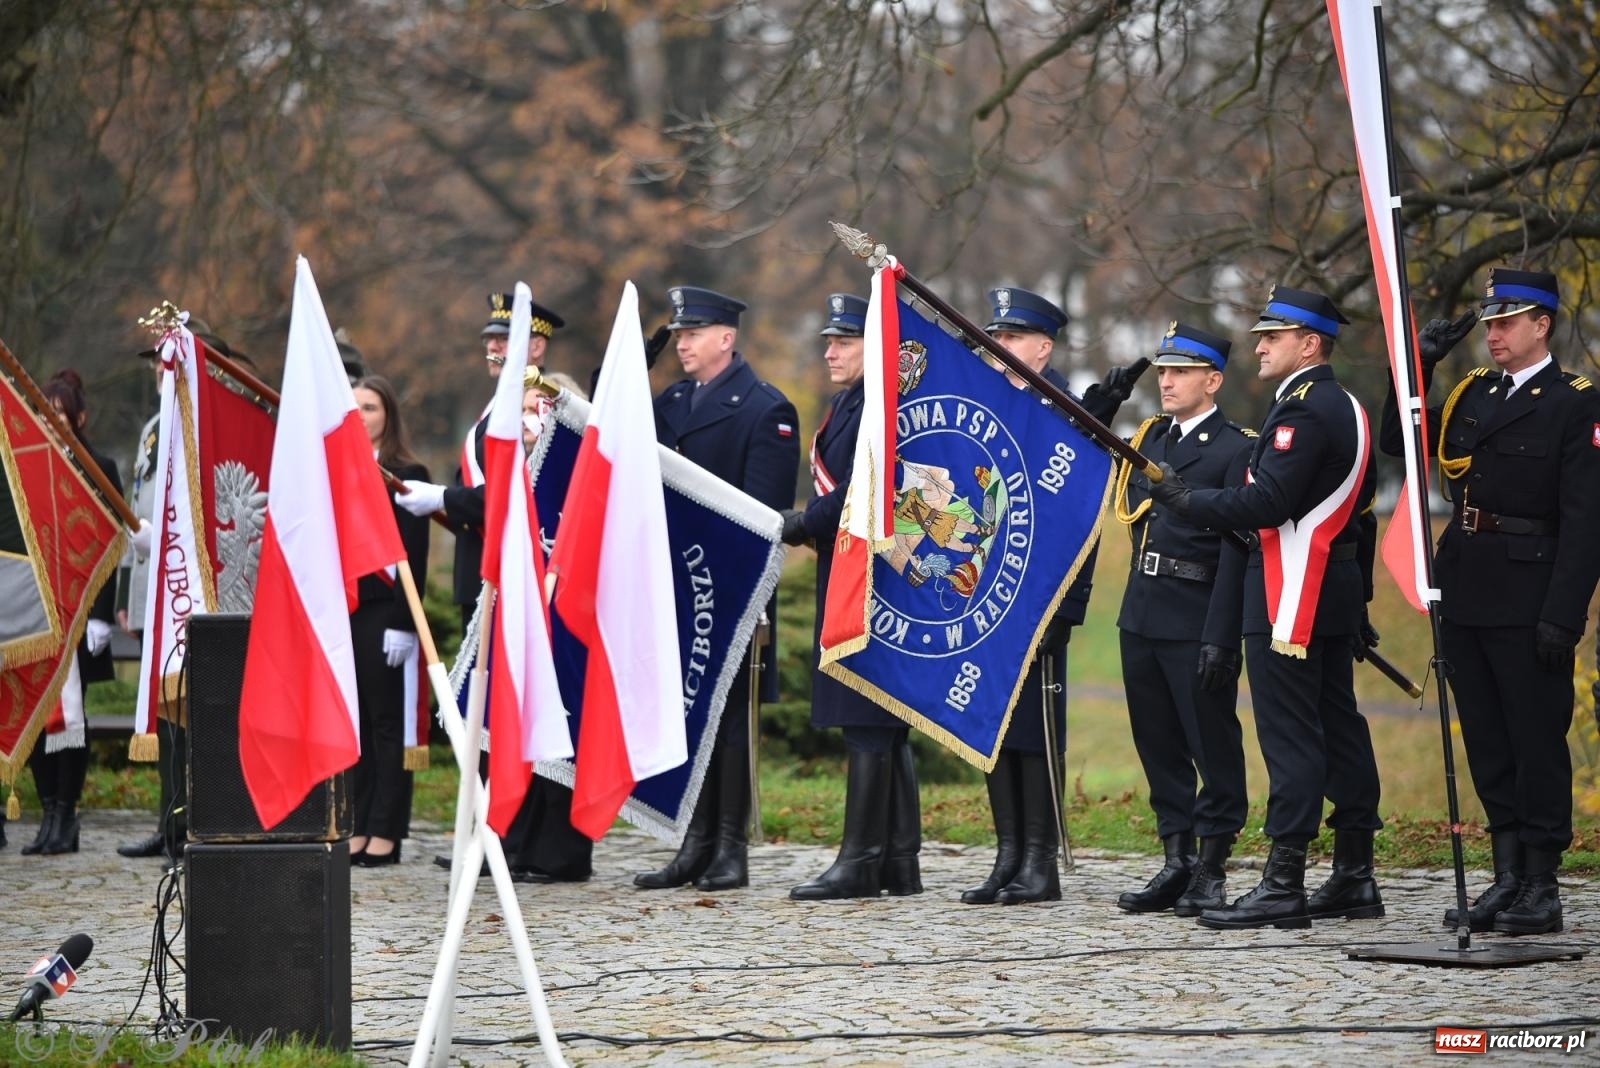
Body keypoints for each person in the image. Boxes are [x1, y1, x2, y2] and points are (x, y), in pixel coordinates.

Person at [1151, 286, 1382, 930]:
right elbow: (1354, 514)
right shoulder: (1344, 404)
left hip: (1290, 587)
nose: (1259, 345)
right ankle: (1355, 872)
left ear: (1310, 345)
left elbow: (1268, 505)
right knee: (1337, 724)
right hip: (1327, 583)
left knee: (1291, 734)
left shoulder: (1303, 412)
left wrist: (1185, 499)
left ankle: (1284, 880)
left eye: (1272, 337)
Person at [1380, 268, 1600, 935]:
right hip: (1469, 586)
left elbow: (1587, 520)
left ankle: (1541, 883)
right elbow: (1400, 444)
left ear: (1543, 325)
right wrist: (1417, 366)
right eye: (1489, 322)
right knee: (1487, 740)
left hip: (1532, 595)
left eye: (1508, 321)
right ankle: (1506, 874)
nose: (1494, 333)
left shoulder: (1574, 402)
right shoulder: (1473, 394)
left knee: (1535, 741)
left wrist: (1564, 613)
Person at [960, 286, 1143, 905]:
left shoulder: (1069, 412)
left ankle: (1040, 861)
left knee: (1034, 730)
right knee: (994, 724)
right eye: (995, 336)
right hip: (985, 596)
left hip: (1041, 598)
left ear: (1043, 347)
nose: (998, 347)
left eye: (1010, 338)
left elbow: (1080, 520)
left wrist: (1069, 604)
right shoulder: (985, 406)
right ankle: (1007, 854)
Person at [396, 290, 568, 883]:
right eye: (490, 341)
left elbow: (516, 496)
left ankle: (513, 835)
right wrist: (447, 507)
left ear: (536, 346)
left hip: (521, 578)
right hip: (485, 573)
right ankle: (491, 829)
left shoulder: (537, 407)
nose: (494, 348)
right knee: (489, 713)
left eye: (506, 339)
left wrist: (442, 499)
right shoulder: (496, 405)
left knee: (512, 707)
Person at [634, 285, 800, 892]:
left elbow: (764, 512)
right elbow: (611, 421)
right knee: (684, 718)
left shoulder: (764, 408)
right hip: (673, 586)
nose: (682, 343)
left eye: (692, 333)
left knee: (727, 723)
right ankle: (694, 843)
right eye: (677, 334)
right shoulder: (671, 399)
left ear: (725, 338)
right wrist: (636, 359)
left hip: (729, 589)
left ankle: (730, 847)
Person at [782, 294, 922, 900]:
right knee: (874, 723)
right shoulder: (846, 403)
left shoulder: (883, 406)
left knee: (870, 717)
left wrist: (801, 522)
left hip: (874, 578)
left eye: (844, 342)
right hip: (843, 570)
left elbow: (864, 486)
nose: (830, 352)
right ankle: (897, 860)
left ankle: (861, 861)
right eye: (829, 341)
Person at [1112, 322, 1251, 915]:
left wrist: (1222, 636)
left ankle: (1213, 867)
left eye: (1181, 372)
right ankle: (1177, 858)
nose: (1166, 381)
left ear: (1212, 380)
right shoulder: (1152, 441)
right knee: (1158, 743)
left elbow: (1238, 548)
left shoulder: (1236, 447)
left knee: (1210, 743)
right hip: (1142, 609)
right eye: (1164, 371)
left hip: (1197, 614)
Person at [20, 370, 122, 857]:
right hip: (37, 615)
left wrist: (101, 613)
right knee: (41, 718)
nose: (51, 421)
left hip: (80, 615)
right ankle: (47, 814)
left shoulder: (97, 466)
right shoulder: (25, 470)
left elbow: (112, 543)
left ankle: (68, 814)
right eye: (44, 413)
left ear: (77, 419)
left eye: (59, 414)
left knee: (73, 720)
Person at [498, 367, 594, 884]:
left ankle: (562, 851)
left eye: (543, 405)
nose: (532, 414)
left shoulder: (579, 467)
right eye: (526, 404)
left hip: (570, 616)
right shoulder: (517, 466)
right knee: (521, 726)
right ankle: (516, 840)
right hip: (524, 611)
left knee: (565, 727)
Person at [348, 375, 430, 867]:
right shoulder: (342, 470)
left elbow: (412, 558)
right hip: (352, 611)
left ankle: (386, 830)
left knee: (385, 723)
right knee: (358, 725)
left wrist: (404, 621)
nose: (361, 416)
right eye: (354, 407)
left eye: (371, 408)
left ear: (388, 416)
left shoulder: (405, 471)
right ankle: (358, 824)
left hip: (387, 613)